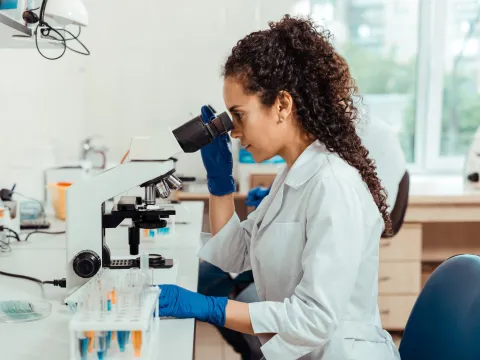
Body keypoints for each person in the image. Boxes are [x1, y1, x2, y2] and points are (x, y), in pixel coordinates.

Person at [158, 15, 401, 360]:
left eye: (239, 115)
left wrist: (210, 307)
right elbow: (233, 255)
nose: (234, 132)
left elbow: (314, 320)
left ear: (283, 105)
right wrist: (220, 184)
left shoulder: (333, 185)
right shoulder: (293, 173)